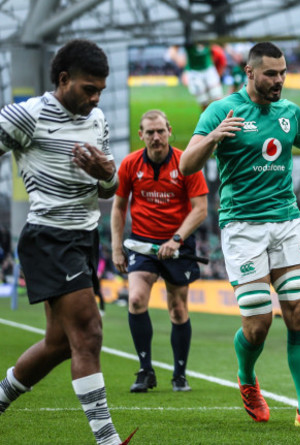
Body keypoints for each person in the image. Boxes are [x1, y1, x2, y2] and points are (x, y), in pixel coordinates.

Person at [179, 41, 300, 429]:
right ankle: (247, 379)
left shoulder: (289, 113)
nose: (279, 80)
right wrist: (215, 137)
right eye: (271, 73)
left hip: (285, 222)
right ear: (250, 73)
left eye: (282, 73)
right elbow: (185, 164)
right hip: (242, 227)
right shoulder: (221, 110)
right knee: (258, 323)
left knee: (299, 312)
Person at [0, 39, 134, 445]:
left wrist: (103, 172)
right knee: (90, 333)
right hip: (49, 236)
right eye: (88, 89)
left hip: (82, 237)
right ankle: (107, 440)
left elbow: (109, 188)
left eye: (100, 91)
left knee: (60, 344)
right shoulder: (27, 116)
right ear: (63, 79)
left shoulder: (98, 121)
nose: (95, 99)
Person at [111, 109, 208, 393]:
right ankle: (145, 371)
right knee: (137, 300)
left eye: (160, 131)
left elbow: (201, 209)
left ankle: (179, 375)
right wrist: (117, 248)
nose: (156, 137)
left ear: (169, 131)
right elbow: (118, 207)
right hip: (142, 243)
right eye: (150, 132)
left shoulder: (186, 163)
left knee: (178, 311)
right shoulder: (129, 164)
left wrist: (176, 239)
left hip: (178, 243)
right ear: (141, 135)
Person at [167, 43, 223, 110]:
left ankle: (221, 119)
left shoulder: (206, 36)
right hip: (195, 73)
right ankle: (207, 119)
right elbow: (173, 50)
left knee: (217, 98)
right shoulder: (188, 37)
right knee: (203, 102)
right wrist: (180, 60)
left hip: (209, 70)